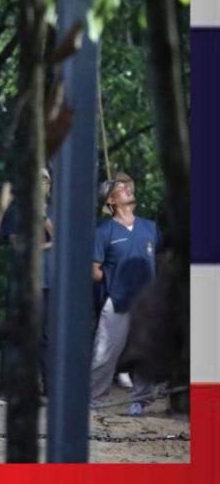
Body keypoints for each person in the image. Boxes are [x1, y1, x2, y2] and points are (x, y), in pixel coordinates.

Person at [90, 176, 161, 415]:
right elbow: (94, 271)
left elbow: (161, 262)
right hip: (118, 300)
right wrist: (113, 282)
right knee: (104, 353)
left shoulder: (150, 227)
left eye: (127, 186)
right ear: (111, 200)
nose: (127, 188)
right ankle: (96, 401)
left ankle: (139, 401)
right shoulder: (103, 230)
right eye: (120, 188)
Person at [1, 167, 54, 393]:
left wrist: (43, 219)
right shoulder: (16, 212)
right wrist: (46, 244)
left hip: (49, 282)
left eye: (45, 180)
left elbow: (61, 237)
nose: (41, 184)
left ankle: (48, 384)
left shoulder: (54, 211)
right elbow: (18, 245)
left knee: (47, 336)